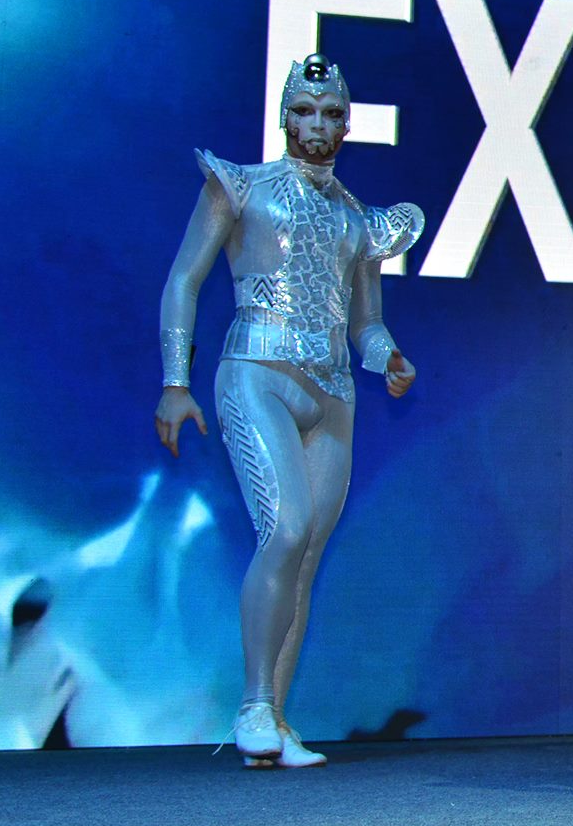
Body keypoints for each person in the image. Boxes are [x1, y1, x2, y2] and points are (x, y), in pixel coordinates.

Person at [155, 54, 423, 766]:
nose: (317, 124)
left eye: (331, 113)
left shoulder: (356, 220)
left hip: (332, 392)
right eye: (304, 110)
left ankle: (274, 720)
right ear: (284, 117)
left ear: (346, 124)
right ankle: (251, 704)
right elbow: (184, 280)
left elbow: (366, 322)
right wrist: (176, 381)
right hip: (257, 372)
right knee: (286, 528)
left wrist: (388, 358)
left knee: (304, 558)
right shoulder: (241, 188)